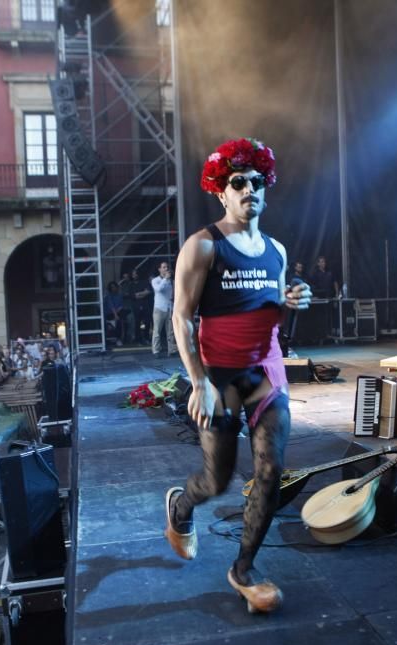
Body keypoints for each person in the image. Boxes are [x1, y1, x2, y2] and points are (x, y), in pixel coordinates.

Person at [164, 138, 311, 614]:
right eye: (238, 182)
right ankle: (181, 508)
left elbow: (269, 316)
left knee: (271, 471)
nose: (249, 189)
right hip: (220, 376)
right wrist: (199, 381)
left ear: (265, 191)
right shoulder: (203, 245)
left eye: (256, 182)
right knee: (218, 480)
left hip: (264, 373)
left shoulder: (277, 251)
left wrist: (288, 303)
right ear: (221, 193)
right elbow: (182, 318)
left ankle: (244, 569)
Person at [150, 260, 178, 357]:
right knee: (157, 330)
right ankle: (156, 350)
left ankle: (171, 350)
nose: (166, 269)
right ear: (159, 269)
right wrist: (165, 279)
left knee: (170, 331)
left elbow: (172, 293)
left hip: (169, 307)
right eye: (164, 267)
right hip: (159, 308)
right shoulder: (155, 280)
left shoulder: (170, 280)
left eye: (167, 267)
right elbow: (158, 289)